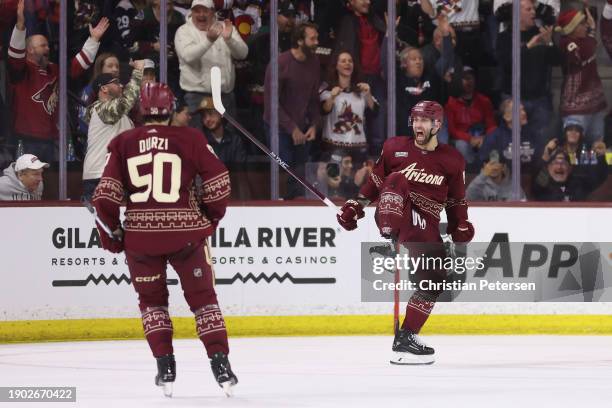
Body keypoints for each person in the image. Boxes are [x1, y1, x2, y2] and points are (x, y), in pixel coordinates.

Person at [92, 82, 236, 397]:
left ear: (140, 111)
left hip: (141, 240)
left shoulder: (123, 142)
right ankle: (220, 363)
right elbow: (220, 182)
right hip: (186, 236)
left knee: (153, 303)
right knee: (204, 300)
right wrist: (210, 218)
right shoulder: (191, 138)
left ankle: (165, 365)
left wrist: (113, 236)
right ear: (170, 109)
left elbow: (104, 198)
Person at [337, 100, 474, 364]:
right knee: (396, 179)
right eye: (415, 119)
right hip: (395, 213)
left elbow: (456, 200)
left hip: (426, 224)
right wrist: (356, 205)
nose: (417, 125)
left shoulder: (453, 160)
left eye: (424, 120)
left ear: (437, 125)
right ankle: (390, 243)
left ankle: (406, 337)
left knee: (436, 278)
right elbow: (375, 181)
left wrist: (461, 224)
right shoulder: (394, 148)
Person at [8, 0, 109, 162]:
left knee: (54, 184)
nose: (48, 49)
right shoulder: (22, 70)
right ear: (30, 50)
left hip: (52, 139)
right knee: (26, 183)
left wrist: (93, 40)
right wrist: (20, 27)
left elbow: (78, 66)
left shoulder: (55, 70)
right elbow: (15, 55)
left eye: (47, 46)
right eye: (42, 46)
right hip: (26, 139)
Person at [263, 22, 321, 199]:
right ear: (299, 41)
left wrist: (314, 124)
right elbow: (272, 103)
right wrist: (292, 128)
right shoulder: (280, 63)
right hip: (279, 128)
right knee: (283, 173)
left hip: (302, 127)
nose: (317, 42)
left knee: (300, 175)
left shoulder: (314, 63)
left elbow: (313, 99)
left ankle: (295, 208)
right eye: (312, 39)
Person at [174, 0, 248, 129]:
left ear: (213, 12)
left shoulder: (226, 27)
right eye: (197, 11)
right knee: (198, 142)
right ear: (192, 13)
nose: (201, 15)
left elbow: (242, 54)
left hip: (225, 97)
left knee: (228, 141)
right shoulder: (183, 31)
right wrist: (209, 40)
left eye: (205, 11)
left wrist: (229, 40)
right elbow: (188, 56)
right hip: (196, 98)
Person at [82, 62, 144, 200]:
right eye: (116, 83)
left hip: (114, 175)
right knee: (98, 221)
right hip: (100, 176)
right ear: (103, 88)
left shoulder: (122, 117)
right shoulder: (100, 109)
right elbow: (125, 102)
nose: (120, 85)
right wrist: (138, 72)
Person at [556, 6, 607, 146]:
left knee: (597, 147)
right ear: (572, 28)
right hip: (575, 108)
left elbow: (591, 45)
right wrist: (592, 31)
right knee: (573, 147)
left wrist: (591, 32)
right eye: (582, 24)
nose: (586, 26)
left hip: (596, 105)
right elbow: (585, 52)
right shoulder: (566, 43)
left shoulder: (585, 39)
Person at [320, 51, 378, 158]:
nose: (347, 63)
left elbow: (375, 112)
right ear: (336, 66)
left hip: (359, 148)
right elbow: (323, 110)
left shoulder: (361, 92)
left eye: (350, 61)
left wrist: (368, 94)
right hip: (334, 147)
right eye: (343, 61)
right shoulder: (327, 91)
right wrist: (332, 97)